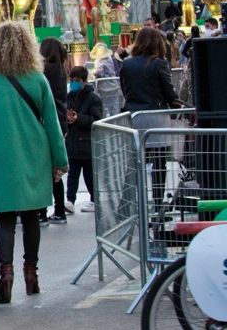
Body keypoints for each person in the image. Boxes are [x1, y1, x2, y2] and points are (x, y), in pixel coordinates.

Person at [0, 22, 67, 305]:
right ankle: (32, 273)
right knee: (31, 215)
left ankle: (6, 275)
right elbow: (52, 124)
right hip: (34, 153)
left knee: (5, 218)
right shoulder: (38, 79)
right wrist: (60, 160)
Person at [119, 26, 180, 206]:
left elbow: (125, 90)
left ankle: (127, 203)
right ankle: (158, 202)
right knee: (159, 165)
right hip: (157, 118)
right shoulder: (159, 63)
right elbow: (169, 92)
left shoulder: (127, 64)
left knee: (135, 163)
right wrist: (175, 104)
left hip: (135, 117)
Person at [64, 66, 105, 214]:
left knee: (89, 174)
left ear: (84, 81)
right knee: (72, 174)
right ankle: (70, 201)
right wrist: (68, 119)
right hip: (73, 143)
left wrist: (78, 118)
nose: (74, 83)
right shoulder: (69, 97)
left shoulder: (93, 98)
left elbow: (97, 119)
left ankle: (94, 199)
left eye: (77, 80)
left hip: (87, 143)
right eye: (72, 80)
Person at [39, 38, 70, 224]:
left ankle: (41, 211)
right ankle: (59, 209)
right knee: (55, 169)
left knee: (42, 168)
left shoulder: (43, 72)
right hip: (61, 119)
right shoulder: (61, 70)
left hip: (46, 119)